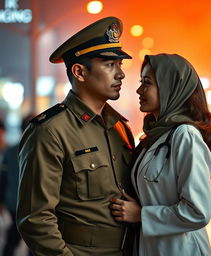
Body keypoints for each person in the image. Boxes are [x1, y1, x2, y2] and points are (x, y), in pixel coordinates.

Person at [17, 17, 135, 256]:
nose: (120, 74)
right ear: (79, 71)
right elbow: (35, 219)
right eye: (109, 65)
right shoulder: (49, 131)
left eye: (120, 65)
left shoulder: (120, 127)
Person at [110, 53, 211, 256]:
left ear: (170, 87)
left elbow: (198, 212)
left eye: (147, 83)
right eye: (141, 82)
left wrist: (141, 215)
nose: (139, 90)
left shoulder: (185, 135)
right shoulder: (156, 137)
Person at [0, 114, 34, 256]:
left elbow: (3, 180)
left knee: (13, 240)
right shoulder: (41, 150)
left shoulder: (10, 151)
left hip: (16, 204)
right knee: (35, 242)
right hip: (31, 205)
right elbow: (3, 179)